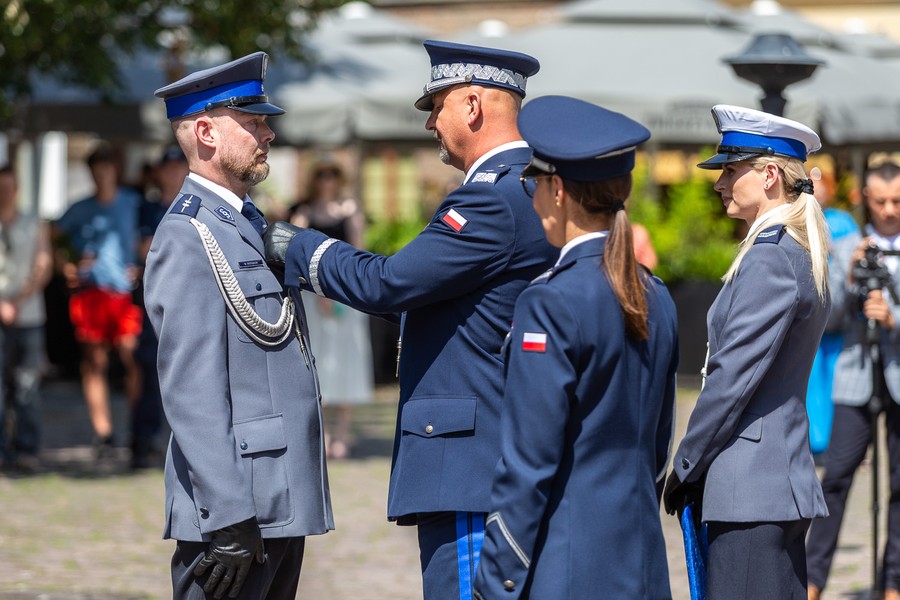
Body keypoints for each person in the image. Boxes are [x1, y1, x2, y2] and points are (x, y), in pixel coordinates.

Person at [264, 40, 557, 600]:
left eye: (436, 105)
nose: (429, 123)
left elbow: (391, 282)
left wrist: (296, 245)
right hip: (489, 450)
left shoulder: (492, 200)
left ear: (472, 105)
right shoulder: (529, 184)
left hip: (471, 462)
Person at [470, 96, 678, 599]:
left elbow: (527, 465)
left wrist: (495, 582)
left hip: (568, 567)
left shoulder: (549, 300)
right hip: (643, 562)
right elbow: (655, 448)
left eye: (534, 185)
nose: (534, 198)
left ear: (557, 189)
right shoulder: (657, 294)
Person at [147, 52, 333, 599]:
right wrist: (227, 513)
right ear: (205, 131)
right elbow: (190, 390)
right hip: (237, 509)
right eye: (252, 123)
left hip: (277, 500)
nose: (268, 134)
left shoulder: (244, 225)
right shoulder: (188, 235)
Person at [662, 105, 831, 599]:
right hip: (771, 484)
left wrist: (686, 464)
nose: (719, 184)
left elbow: (732, 378)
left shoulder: (772, 256)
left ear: (770, 174)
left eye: (731, 170)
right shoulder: (794, 249)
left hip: (750, 491)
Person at [806, 161, 900, 600]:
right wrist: (846, 277)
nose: (888, 210)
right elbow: (828, 321)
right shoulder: (848, 246)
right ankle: (812, 580)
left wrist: (894, 319)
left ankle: (893, 583)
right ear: (864, 197)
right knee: (837, 475)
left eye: (897, 201)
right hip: (855, 376)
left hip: (897, 375)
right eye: (880, 201)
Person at [53, 141, 143, 457]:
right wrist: (68, 265)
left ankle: (135, 426)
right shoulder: (79, 209)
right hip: (91, 293)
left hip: (123, 295)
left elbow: (150, 238)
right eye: (96, 170)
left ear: (115, 171)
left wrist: (141, 266)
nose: (102, 176)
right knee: (95, 363)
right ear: (91, 173)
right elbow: (52, 236)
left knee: (133, 358)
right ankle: (103, 432)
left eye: (107, 169)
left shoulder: (133, 203)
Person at [287, 161, 374, 460]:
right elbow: (293, 247)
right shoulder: (304, 210)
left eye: (332, 174)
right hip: (314, 298)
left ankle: (343, 434)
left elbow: (359, 253)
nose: (327, 180)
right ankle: (322, 434)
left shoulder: (350, 209)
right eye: (321, 174)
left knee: (348, 361)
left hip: (346, 297)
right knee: (318, 362)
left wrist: (342, 293)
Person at [130, 145, 188, 469]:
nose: (173, 173)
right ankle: (142, 440)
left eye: (179, 167)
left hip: (188, 298)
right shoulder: (149, 208)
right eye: (168, 168)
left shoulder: (195, 205)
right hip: (155, 301)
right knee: (150, 370)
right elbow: (144, 250)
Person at [0, 165, 52, 473]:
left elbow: (43, 266)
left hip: (29, 315)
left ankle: (27, 448)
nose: (5, 192)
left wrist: (17, 301)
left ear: (17, 190)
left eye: (9, 186)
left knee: (27, 385)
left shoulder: (34, 223)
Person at [805, 167, 860, 457]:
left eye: (821, 182)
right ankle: (813, 441)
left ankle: (832, 442)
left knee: (834, 383)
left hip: (838, 324)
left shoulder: (843, 222)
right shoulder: (799, 218)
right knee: (810, 382)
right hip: (810, 320)